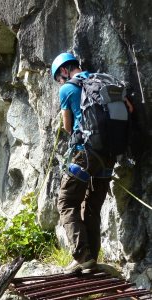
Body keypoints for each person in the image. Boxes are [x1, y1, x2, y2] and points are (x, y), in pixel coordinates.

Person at [51, 53, 118, 274]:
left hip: (85, 154)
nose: (60, 82)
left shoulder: (67, 89)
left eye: (59, 77)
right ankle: (90, 259)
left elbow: (68, 127)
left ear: (63, 71)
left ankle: (82, 256)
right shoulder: (102, 81)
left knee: (67, 201)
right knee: (91, 208)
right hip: (108, 155)